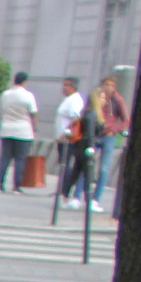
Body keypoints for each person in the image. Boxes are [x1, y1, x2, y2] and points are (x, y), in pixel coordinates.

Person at [93, 75, 131, 214]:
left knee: (104, 168)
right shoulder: (96, 97)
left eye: (111, 85)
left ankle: (95, 198)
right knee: (86, 164)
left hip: (108, 136)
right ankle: (77, 196)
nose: (108, 87)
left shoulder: (118, 100)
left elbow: (126, 120)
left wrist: (114, 129)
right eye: (106, 84)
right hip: (94, 134)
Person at [0, 70, 38, 191]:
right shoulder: (28, 95)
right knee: (20, 159)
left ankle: (0, 183)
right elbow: (33, 114)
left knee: (5, 157)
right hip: (23, 130)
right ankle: (16, 185)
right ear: (25, 82)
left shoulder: (5, 94)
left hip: (7, 128)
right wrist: (34, 128)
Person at [52, 76, 90, 208]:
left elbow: (76, 118)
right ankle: (62, 190)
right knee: (63, 164)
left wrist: (65, 133)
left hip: (67, 138)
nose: (64, 87)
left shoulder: (74, 100)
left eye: (66, 85)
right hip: (62, 138)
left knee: (66, 164)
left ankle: (65, 192)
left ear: (73, 87)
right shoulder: (67, 99)